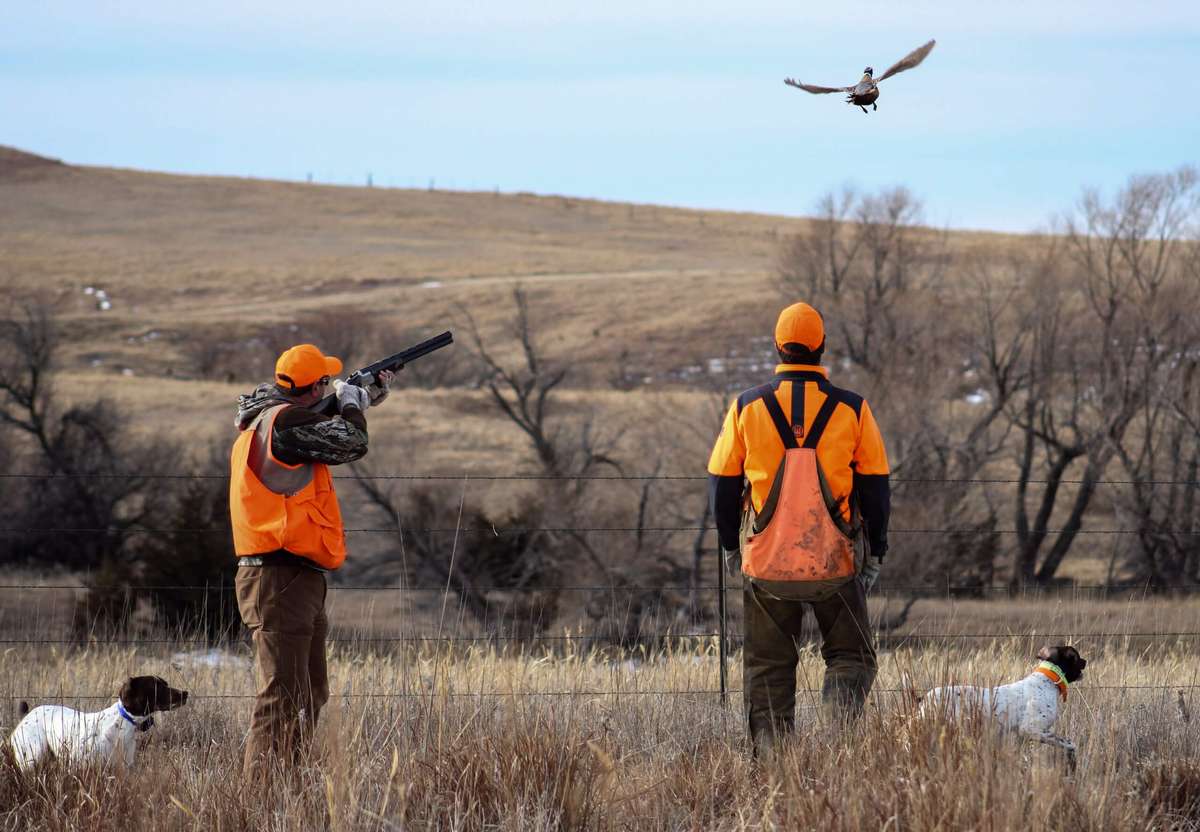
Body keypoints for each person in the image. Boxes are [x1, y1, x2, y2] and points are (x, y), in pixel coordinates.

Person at [707, 302, 890, 750]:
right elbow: (876, 488)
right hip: (835, 564)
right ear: (821, 347)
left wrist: (732, 545)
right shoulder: (853, 409)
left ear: (777, 347)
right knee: (852, 656)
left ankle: (773, 764)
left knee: (768, 667)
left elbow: (721, 485)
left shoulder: (746, 407)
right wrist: (877, 550)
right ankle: (836, 744)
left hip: (766, 564)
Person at [229, 343, 393, 782]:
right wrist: (352, 404)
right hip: (277, 576)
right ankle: (262, 803)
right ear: (314, 387)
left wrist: (360, 398)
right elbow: (351, 443)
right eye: (325, 381)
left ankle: (286, 790)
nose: (330, 384)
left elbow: (326, 433)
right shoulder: (284, 423)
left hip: (292, 575)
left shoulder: (271, 419)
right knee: (281, 696)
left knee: (307, 694)